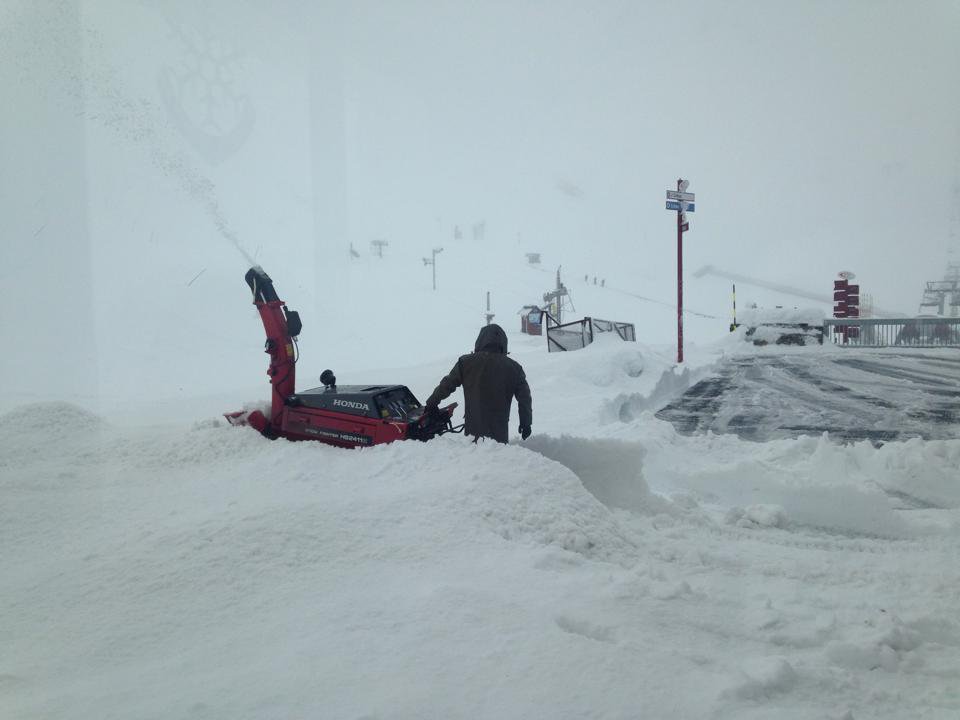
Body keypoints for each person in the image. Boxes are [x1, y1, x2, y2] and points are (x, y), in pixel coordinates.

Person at [424, 324, 532, 443]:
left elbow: (447, 385)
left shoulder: (465, 363)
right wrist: (526, 423)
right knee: (499, 458)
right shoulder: (515, 368)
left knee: (474, 458)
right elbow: (525, 398)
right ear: (504, 344)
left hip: (473, 433)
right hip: (499, 436)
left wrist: (431, 403)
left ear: (480, 341)